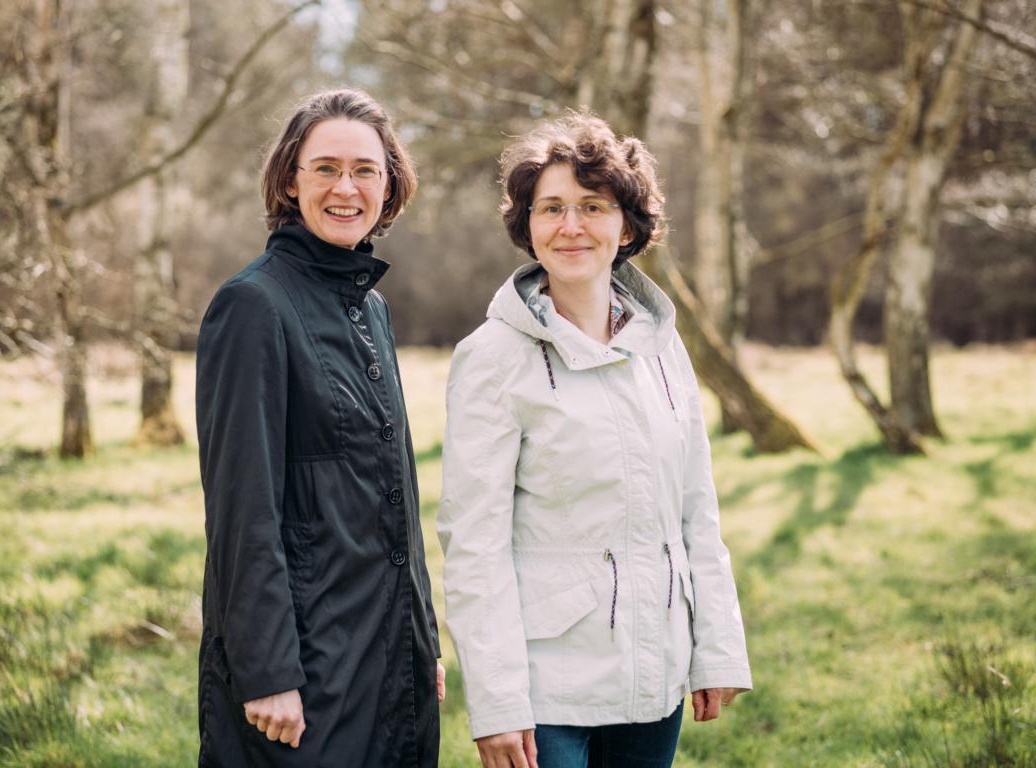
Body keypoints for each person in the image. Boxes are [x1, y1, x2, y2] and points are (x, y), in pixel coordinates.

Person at [437, 112, 752, 768]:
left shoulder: (663, 346)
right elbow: (474, 544)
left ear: (628, 226)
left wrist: (717, 649)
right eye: (551, 208)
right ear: (528, 226)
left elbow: (697, 511)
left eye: (592, 206)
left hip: (655, 676)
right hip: (546, 692)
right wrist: (497, 702)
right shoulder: (492, 356)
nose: (570, 225)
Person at [195, 88, 443, 767]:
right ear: (289, 180)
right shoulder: (252, 305)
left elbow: (398, 497)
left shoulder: (372, 309)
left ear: (388, 186)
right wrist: (268, 671)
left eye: (365, 170)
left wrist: (422, 640)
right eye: (326, 168)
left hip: (388, 656)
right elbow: (242, 509)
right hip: (304, 674)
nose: (346, 188)